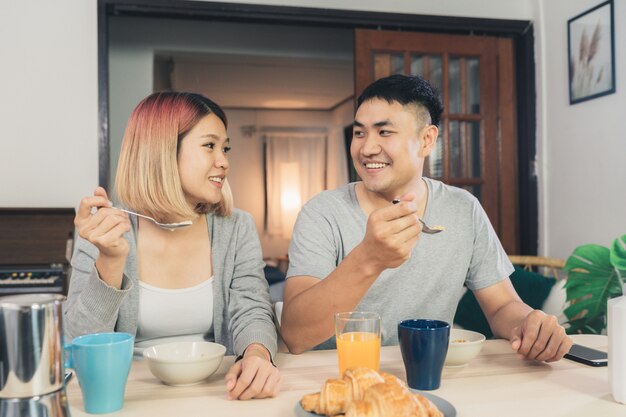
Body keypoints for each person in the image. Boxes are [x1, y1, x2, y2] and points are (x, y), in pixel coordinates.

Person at [281, 74, 572, 362]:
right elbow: (295, 334)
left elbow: (502, 306)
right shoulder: (323, 212)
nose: (367, 148)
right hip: (336, 378)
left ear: (427, 139)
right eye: (359, 133)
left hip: (426, 373)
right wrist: (369, 258)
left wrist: (531, 324)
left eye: (384, 132)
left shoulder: (462, 208)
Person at [64, 92, 281, 400]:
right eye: (209, 146)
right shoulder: (106, 230)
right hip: (131, 395)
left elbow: (252, 308)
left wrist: (257, 354)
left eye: (225, 148)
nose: (224, 162)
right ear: (162, 152)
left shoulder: (236, 227)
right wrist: (109, 262)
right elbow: (76, 343)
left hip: (219, 391)